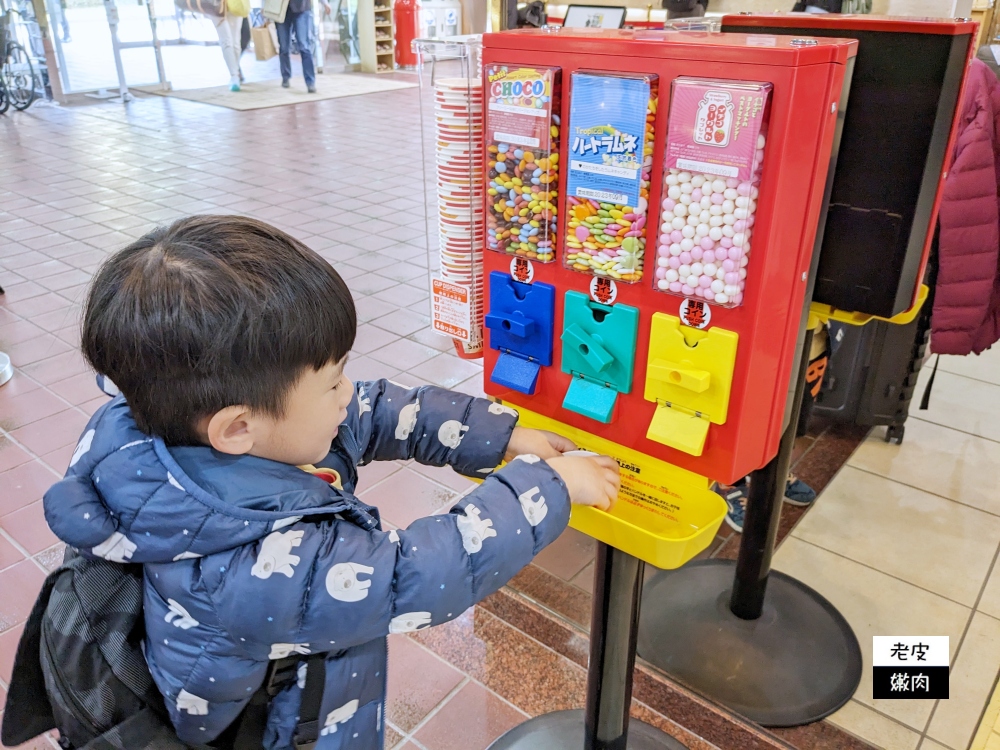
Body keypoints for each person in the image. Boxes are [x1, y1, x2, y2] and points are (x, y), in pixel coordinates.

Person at [42, 215, 620, 746]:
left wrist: (498, 436)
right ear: (237, 427)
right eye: (333, 382)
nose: (349, 392)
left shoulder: (181, 433)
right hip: (288, 730)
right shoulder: (248, 564)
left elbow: (372, 412)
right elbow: (415, 576)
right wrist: (552, 487)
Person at [276, 0, 329, 93]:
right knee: (284, 47)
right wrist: (266, 7)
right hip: (280, 10)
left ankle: (310, 82)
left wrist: (324, 3)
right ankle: (285, 76)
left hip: (302, 9)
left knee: (304, 46)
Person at [213, 3, 248, 92]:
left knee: (235, 42)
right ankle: (234, 76)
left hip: (235, 4)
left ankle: (235, 75)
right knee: (227, 41)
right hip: (216, 4)